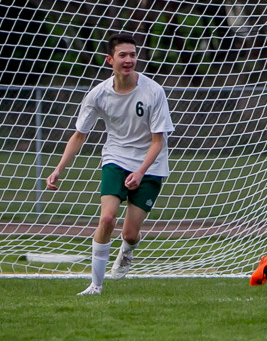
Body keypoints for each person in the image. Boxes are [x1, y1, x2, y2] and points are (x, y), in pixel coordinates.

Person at [46, 33, 175, 295]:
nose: (129, 60)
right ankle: (96, 285)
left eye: (133, 55)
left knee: (129, 234)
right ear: (109, 60)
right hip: (115, 159)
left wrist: (140, 172)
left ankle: (127, 251)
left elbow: (157, 141)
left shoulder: (154, 91)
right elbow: (79, 134)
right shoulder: (98, 95)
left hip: (150, 165)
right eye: (123, 55)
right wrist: (59, 168)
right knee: (107, 218)